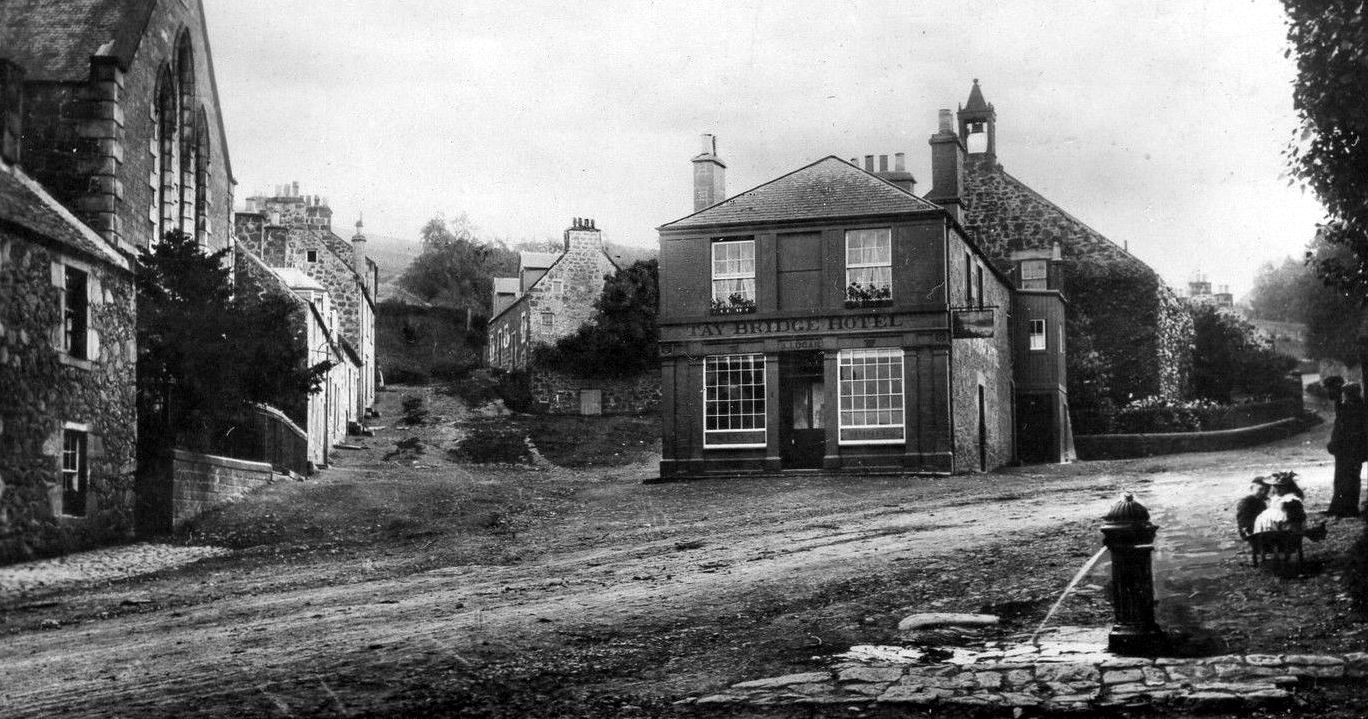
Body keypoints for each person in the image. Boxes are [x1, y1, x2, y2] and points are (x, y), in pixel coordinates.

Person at [1327, 382, 1366, 517]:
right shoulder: (1348, 406)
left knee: (1351, 478)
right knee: (1341, 478)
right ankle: (1339, 507)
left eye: (1345, 394)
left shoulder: (1359, 408)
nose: (1344, 396)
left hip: (1353, 449)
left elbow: (1354, 430)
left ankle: (1350, 508)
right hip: (1343, 450)